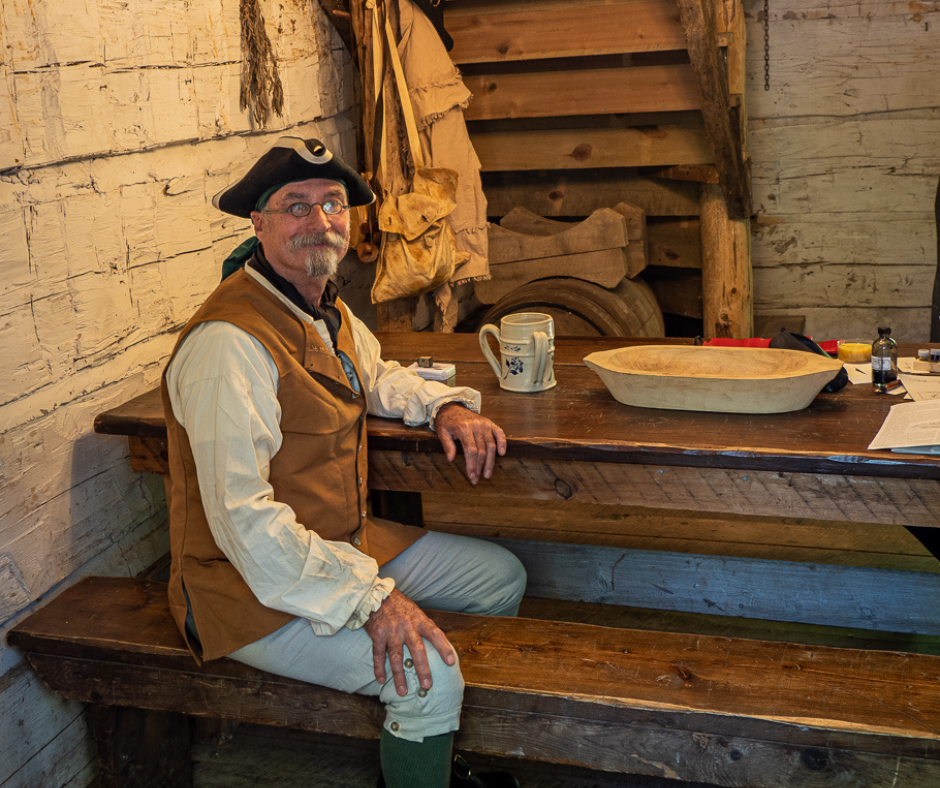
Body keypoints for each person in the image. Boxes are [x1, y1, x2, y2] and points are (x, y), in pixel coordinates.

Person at [161, 136, 526, 788]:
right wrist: (373, 600)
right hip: (243, 590)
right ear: (260, 223)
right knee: (429, 675)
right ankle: (423, 710)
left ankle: (431, 746)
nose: (320, 220)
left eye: (332, 204)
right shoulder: (229, 343)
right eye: (296, 206)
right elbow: (243, 520)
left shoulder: (320, 305)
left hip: (340, 544)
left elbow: (376, 373)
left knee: (498, 577)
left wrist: (443, 408)